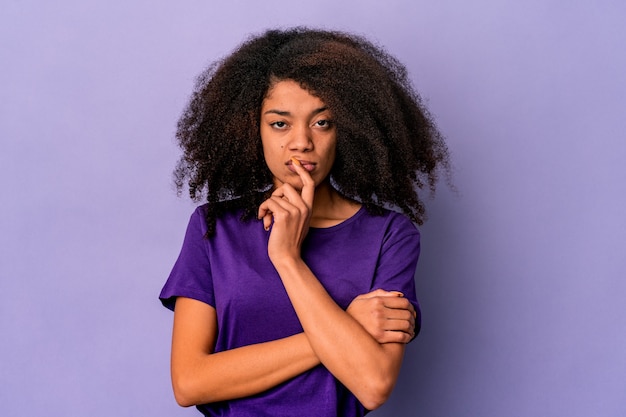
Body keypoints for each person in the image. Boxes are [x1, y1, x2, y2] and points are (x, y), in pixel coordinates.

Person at [159, 27, 449, 417]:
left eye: (322, 123)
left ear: (349, 129)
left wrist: (287, 259)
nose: (301, 142)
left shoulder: (388, 236)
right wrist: (345, 328)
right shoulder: (213, 228)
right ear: (251, 130)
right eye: (280, 123)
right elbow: (190, 382)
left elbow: (374, 384)